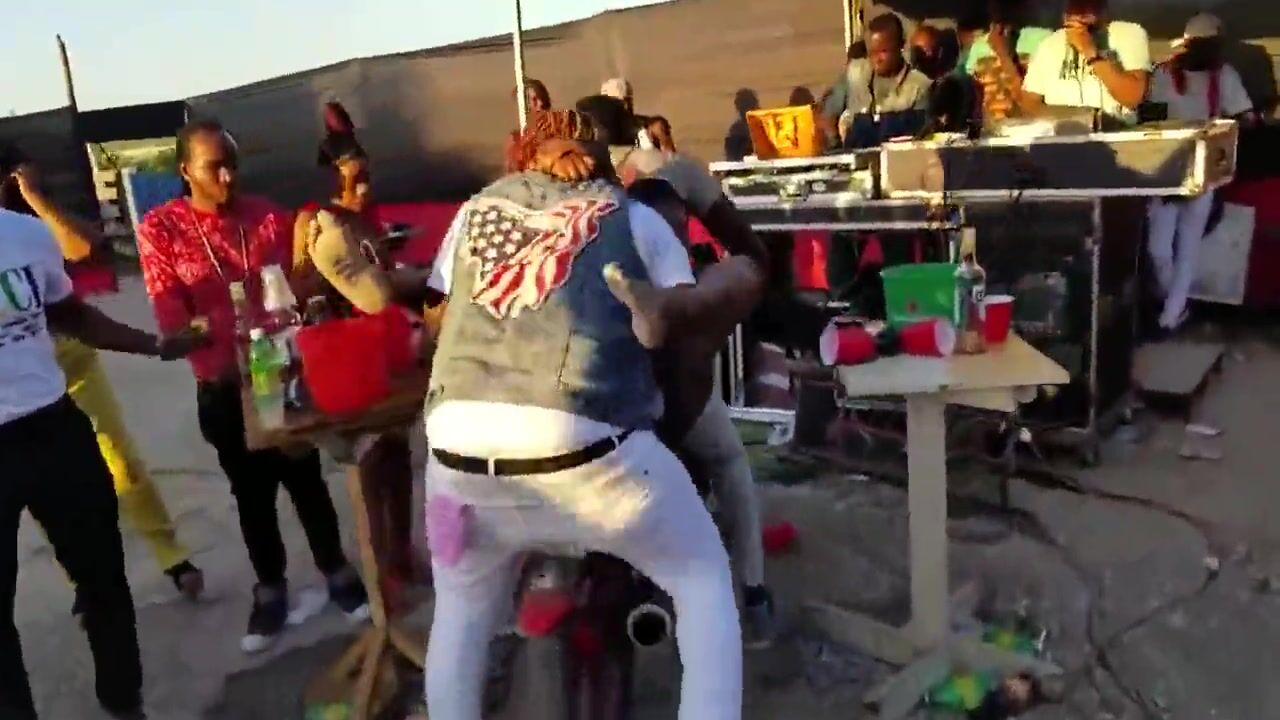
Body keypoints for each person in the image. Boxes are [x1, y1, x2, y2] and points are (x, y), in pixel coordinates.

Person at [419, 110, 764, 720]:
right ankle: (750, 607)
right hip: (582, 443)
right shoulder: (634, 216)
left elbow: (435, 318)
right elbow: (685, 345)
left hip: (458, 445)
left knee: (460, 615)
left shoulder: (475, 211)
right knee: (701, 578)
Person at [551, 94, 778, 646]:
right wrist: (716, 301)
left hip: (592, 370)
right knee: (727, 461)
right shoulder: (671, 171)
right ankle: (753, 592)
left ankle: (562, 586)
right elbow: (750, 252)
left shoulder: (550, 185)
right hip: (669, 365)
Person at [136, 119, 369, 654]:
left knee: (306, 477)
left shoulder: (265, 216)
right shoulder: (162, 229)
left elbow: (301, 286)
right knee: (251, 492)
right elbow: (172, 315)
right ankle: (270, 589)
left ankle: (337, 570)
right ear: (185, 171)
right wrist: (213, 337)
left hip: (284, 372)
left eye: (232, 164)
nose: (227, 176)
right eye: (214, 167)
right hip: (223, 383)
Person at [1, 200, 206, 720]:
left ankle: (124, 701)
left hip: (53, 429)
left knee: (103, 578)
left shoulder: (26, 235)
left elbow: (69, 315)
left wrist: (153, 345)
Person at [292, 102, 424, 609]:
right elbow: (311, 287)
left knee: (398, 454)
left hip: (383, 343)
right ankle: (382, 566)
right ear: (333, 178)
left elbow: (380, 278)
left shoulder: (362, 218)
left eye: (368, 177)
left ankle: (402, 552)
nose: (364, 187)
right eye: (354, 179)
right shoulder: (318, 221)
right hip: (348, 351)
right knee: (370, 461)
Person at [1146, 13, 1256, 332]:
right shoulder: (1163, 74)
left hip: (1203, 171)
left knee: (1188, 246)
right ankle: (1174, 301)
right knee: (1158, 249)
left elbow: (1246, 118)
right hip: (1166, 171)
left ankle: (1171, 314)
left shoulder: (1224, 76)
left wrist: (1227, 126)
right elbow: (1148, 119)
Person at [1021, 0, 1150, 125]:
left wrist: (1090, 53)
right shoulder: (1048, 44)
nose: (1079, 13)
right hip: (1062, 133)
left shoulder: (1128, 33)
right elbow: (1029, 102)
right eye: (1073, 7)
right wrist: (1067, 118)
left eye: (1085, 6)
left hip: (1116, 132)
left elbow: (1132, 97)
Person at [820, 12, 932, 146]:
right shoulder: (855, 74)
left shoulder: (919, 87)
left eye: (883, 51)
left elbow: (923, 137)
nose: (876, 60)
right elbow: (828, 115)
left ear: (900, 46)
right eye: (872, 53)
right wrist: (836, 144)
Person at [965, 0, 1054, 121]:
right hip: (995, 127)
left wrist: (1002, 53)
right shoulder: (979, 47)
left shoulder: (1041, 39)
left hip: (1033, 125)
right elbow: (978, 98)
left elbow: (1031, 104)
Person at [503, 79, 552, 173]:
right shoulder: (515, 139)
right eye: (534, 100)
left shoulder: (559, 132)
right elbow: (511, 172)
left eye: (543, 98)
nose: (541, 103)